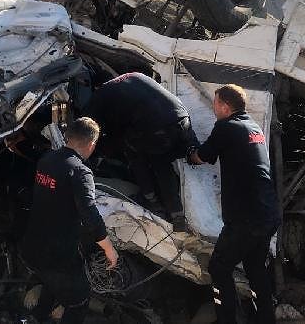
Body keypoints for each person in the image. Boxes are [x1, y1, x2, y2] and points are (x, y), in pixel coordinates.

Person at [188, 84, 281, 324]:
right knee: (255, 268)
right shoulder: (253, 127)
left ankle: (226, 319)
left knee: (219, 268)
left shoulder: (226, 127)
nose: (214, 107)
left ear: (225, 106)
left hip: (246, 218)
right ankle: (265, 319)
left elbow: (202, 157)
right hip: (268, 213)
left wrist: (187, 151)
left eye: (216, 103)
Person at [20, 117, 118, 324]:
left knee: (51, 285)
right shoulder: (81, 172)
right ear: (92, 144)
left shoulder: (47, 159)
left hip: (32, 246)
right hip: (58, 255)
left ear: (67, 137)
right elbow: (90, 214)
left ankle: (37, 318)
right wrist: (109, 249)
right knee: (78, 300)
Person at [85, 72, 199, 230]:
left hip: (156, 130)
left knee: (133, 153)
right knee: (162, 164)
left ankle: (152, 202)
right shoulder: (135, 76)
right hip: (182, 120)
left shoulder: (101, 93)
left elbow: (88, 126)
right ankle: (177, 214)